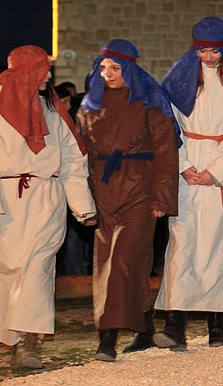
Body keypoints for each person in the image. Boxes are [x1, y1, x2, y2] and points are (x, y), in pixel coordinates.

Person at [0, 45, 95, 369]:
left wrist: (82, 206)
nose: (48, 76)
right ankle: (14, 336)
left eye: (48, 70)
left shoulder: (54, 111)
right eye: (41, 70)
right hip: (7, 200)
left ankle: (29, 341)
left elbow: (73, 160)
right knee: (8, 269)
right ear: (23, 73)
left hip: (47, 199)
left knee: (39, 269)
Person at [154, 17, 223, 350]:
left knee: (221, 246)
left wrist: (217, 170)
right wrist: (185, 166)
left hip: (222, 171)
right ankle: (175, 325)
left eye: (214, 51)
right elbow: (166, 125)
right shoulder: (178, 82)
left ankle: (217, 324)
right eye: (202, 50)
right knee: (182, 245)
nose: (208, 57)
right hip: (187, 169)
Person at [77, 39, 180, 362]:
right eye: (103, 67)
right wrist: (84, 202)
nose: (107, 74)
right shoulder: (89, 105)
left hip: (140, 190)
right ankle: (145, 328)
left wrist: (162, 197)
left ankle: (106, 339)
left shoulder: (150, 102)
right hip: (104, 192)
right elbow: (80, 155)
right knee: (113, 264)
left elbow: (166, 150)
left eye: (115, 68)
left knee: (123, 258)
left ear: (130, 69)